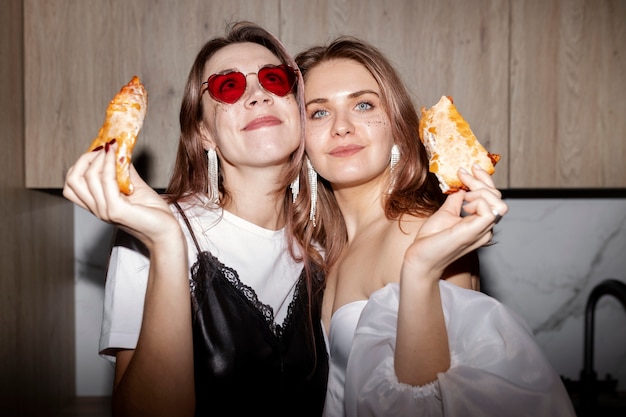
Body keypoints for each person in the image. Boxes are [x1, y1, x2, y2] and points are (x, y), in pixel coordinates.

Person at [295, 37, 576, 416]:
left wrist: (420, 269)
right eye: (318, 113)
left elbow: (434, 405)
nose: (342, 127)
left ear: (396, 127)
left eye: (363, 105)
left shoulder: (417, 233)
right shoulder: (325, 248)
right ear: (300, 139)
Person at [63, 22, 328, 417]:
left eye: (275, 80)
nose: (257, 95)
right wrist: (167, 243)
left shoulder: (323, 249)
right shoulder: (148, 229)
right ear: (204, 132)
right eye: (228, 87)